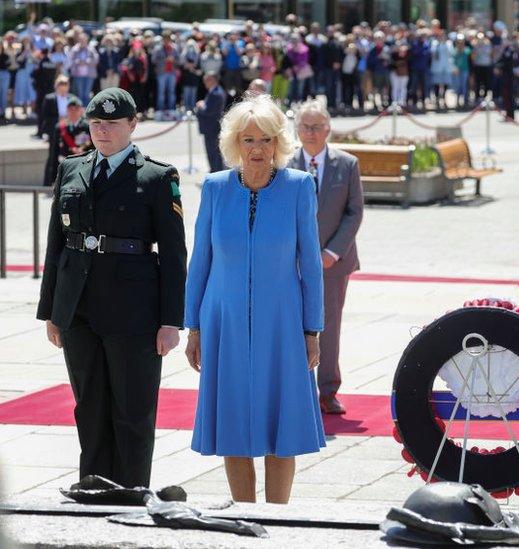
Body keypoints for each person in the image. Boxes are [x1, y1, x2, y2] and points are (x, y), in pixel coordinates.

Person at [36, 88, 187, 488]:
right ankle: (94, 486)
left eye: (112, 124)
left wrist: (171, 320)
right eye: (96, 123)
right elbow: (56, 243)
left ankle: (132, 492)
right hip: (79, 308)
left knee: (132, 410)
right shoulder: (72, 169)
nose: (102, 132)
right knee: (90, 406)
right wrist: (52, 309)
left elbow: (174, 254)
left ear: (133, 125)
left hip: (133, 310)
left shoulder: (156, 176)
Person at [184, 93, 325, 504]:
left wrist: (312, 330)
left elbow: (311, 265)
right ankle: (244, 515)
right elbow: (200, 262)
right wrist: (192, 326)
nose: (257, 149)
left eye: (265, 140)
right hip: (222, 323)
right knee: (233, 424)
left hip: (282, 324)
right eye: (248, 140)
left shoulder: (299, 187)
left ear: (279, 143)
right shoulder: (214, 188)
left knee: (281, 429)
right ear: (234, 144)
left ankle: (279, 520)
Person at [288, 99, 364, 415]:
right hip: (291, 263)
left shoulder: (347, 164)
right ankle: (295, 389)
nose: (311, 132)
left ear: (328, 128)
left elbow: (354, 211)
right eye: (305, 126)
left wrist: (332, 252)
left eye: (317, 126)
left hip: (333, 262)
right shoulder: (284, 165)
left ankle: (328, 392)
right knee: (292, 325)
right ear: (296, 130)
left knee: (329, 326)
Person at [41, 76, 74, 185]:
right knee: (52, 157)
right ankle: (47, 182)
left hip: (68, 133)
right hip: (54, 131)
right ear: (56, 86)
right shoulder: (49, 98)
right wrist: (59, 120)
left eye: (65, 85)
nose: (63, 87)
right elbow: (45, 116)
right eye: (61, 85)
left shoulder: (72, 98)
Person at [196, 72, 226, 173]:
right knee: (213, 152)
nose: (204, 82)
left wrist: (201, 106)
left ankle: (216, 172)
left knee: (214, 153)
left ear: (213, 80)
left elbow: (209, 111)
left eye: (207, 80)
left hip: (212, 128)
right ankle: (215, 171)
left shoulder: (216, 93)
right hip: (211, 128)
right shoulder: (214, 91)